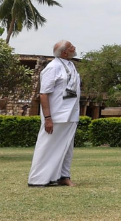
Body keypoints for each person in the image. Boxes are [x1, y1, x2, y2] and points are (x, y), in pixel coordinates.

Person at [28, 40, 82, 187]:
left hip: (71, 114)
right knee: (47, 146)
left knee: (67, 147)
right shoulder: (52, 67)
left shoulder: (70, 65)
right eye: (71, 46)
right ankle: (38, 179)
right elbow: (44, 94)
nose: (74, 47)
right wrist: (48, 118)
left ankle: (63, 176)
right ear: (65, 52)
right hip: (56, 115)